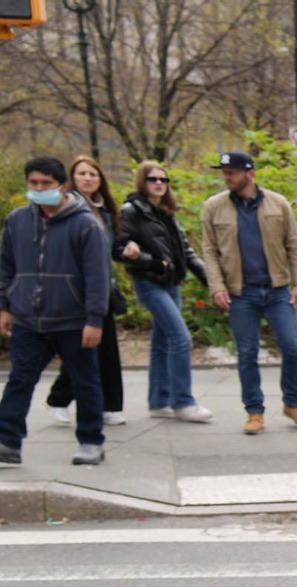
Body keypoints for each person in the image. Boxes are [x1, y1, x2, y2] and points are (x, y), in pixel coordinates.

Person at [0, 155, 111, 466]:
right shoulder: (17, 220)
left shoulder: (85, 224)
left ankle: (91, 441)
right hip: (27, 319)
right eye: (33, 183)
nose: (38, 189)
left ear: (62, 185)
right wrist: (4, 305)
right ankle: (7, 441)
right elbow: (7, 267)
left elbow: (98, 275)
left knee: (85, 381)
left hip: (73, 320)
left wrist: (94, 318)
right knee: (19, 379)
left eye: (46, 184)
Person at [199, 150, 297, 436]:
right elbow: (209, 252)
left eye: (232, 173)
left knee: (292, 347)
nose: (227, 178)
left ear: (250, 174)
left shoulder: (278, 203)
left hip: (277, 290)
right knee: (247, 353)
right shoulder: (213, 207)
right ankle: (254, 411)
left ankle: (292, 403)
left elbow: (295, 246)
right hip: (240, 292)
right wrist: (217, 286)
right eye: (224, 173)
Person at [119, 160, 212, 423]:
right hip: (150, 283)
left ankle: (159, 401)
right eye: (153, 179)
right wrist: (152, 262)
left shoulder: (167, 212)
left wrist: (210, 280)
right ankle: (183, 402)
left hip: (172, 284)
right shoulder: (131, 210)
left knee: (161, 344)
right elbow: (120, 248)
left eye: (163, 179)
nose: (159, 183)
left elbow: (187, 251)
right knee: (181, 339)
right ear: (142, 182)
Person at [45, 156, 126, 427]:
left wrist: (128, 250)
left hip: (103, 287)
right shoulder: (67, 208)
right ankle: (59, 400)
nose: (88, 178)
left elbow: (110, 249)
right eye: (82, 174)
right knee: (81, 347)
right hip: (76, 290)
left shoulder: (104, 211)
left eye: (93, 174)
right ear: (72, 178)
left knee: (107, 349)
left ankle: (110, 406)